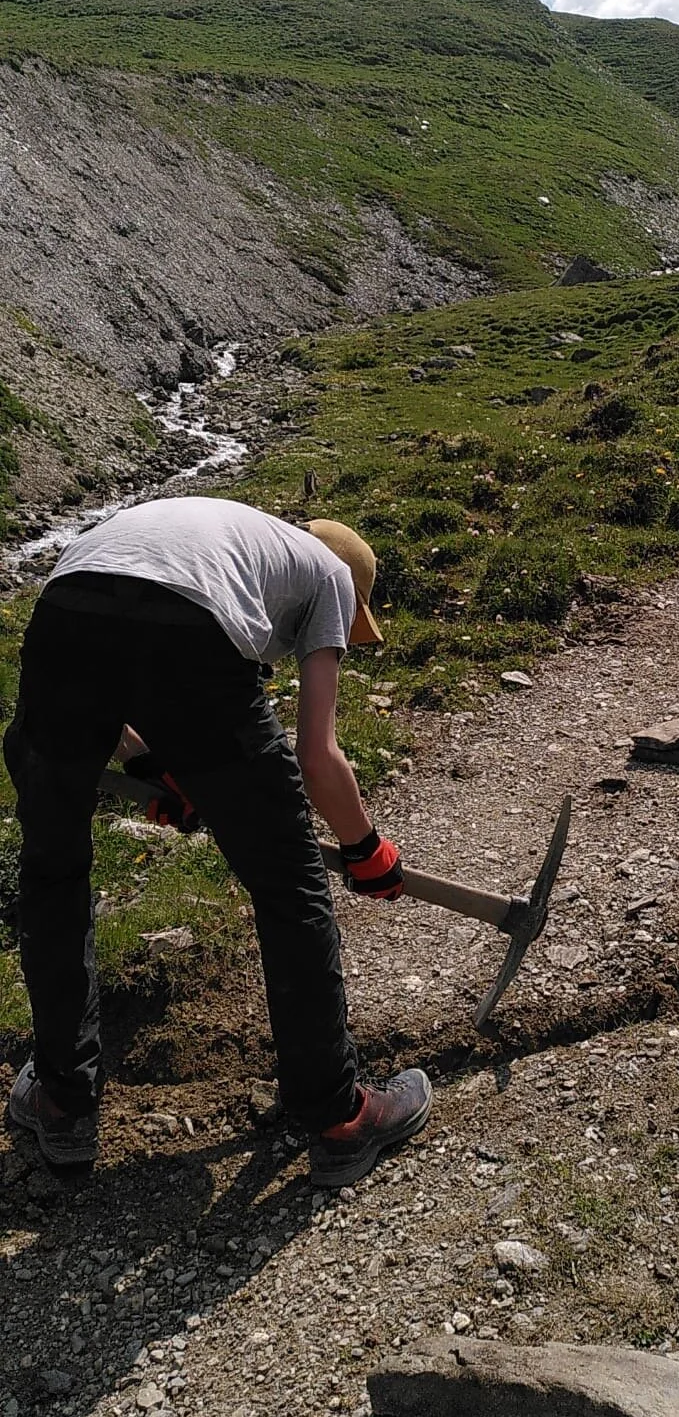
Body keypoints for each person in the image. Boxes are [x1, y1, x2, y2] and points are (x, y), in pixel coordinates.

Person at [2, 496, 432, 1188]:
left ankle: (61, 1103)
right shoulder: (329, 575)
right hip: (186, 635)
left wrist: (158, 770)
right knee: (289, 883)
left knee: (54, 871)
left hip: (65, 613)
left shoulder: (218, 539)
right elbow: (316, 756)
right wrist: (365, 849)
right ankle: (339, 1116)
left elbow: (115, 652)